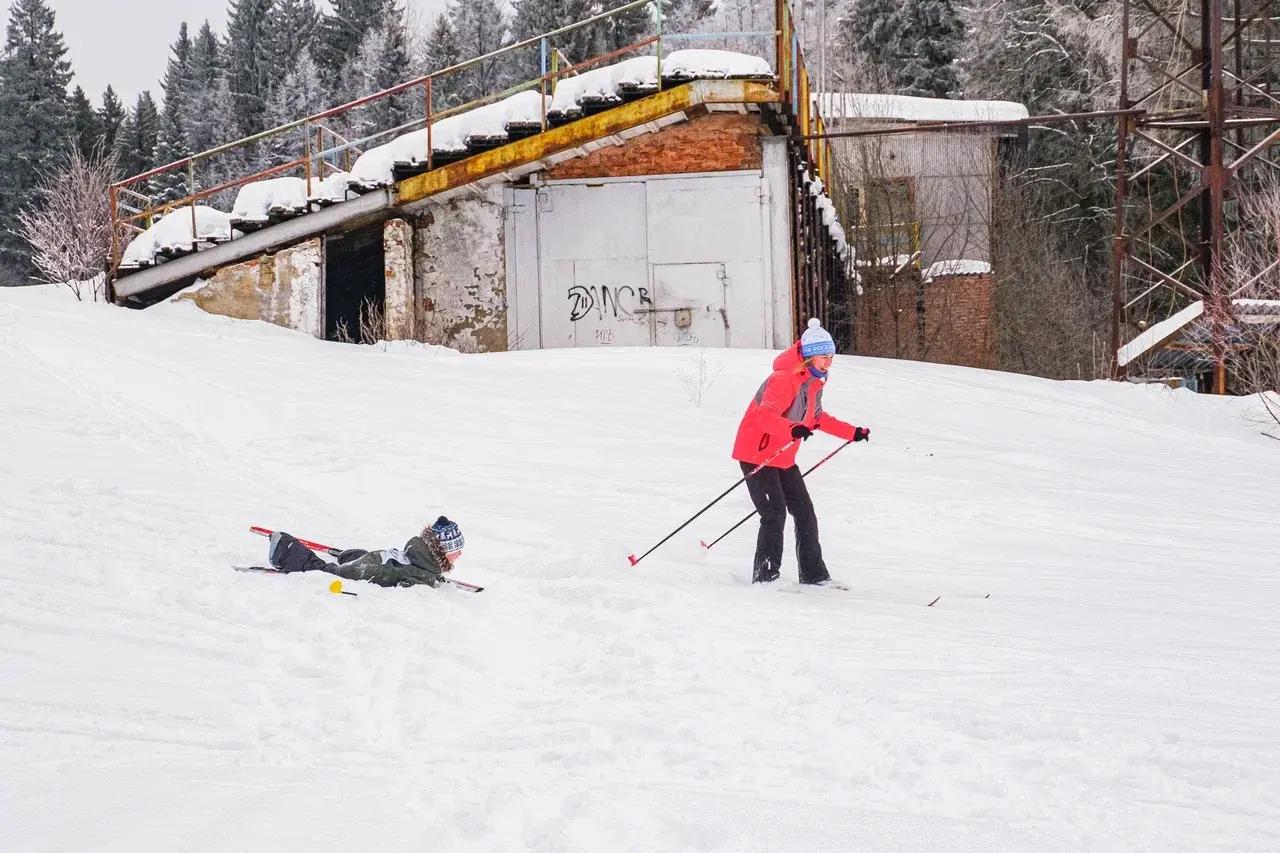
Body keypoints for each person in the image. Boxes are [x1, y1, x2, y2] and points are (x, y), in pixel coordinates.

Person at [731, 318, 870, 585]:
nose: (829, 363)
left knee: (805, 512)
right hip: (756, 455)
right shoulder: (784, 380)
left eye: (831, 357)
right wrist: (792, 429)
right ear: (808, 356)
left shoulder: (814, 383)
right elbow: (764, 417)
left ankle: (814, 574)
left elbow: (817, 418)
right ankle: (765, 577)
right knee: (774, 514)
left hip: (782, 457)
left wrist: (852, 432)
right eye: (823, 357)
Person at [266, 516, 465, 588]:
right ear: (441, 550)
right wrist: (433, 583)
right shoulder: (424, 571)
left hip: (378, 558)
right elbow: (411, 584)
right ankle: (284, 547)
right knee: (325, 571)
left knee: (363, 556)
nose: (460, 554)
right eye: (456, 550)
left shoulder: (420, 552)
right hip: (372, 569)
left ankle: (349, 557)